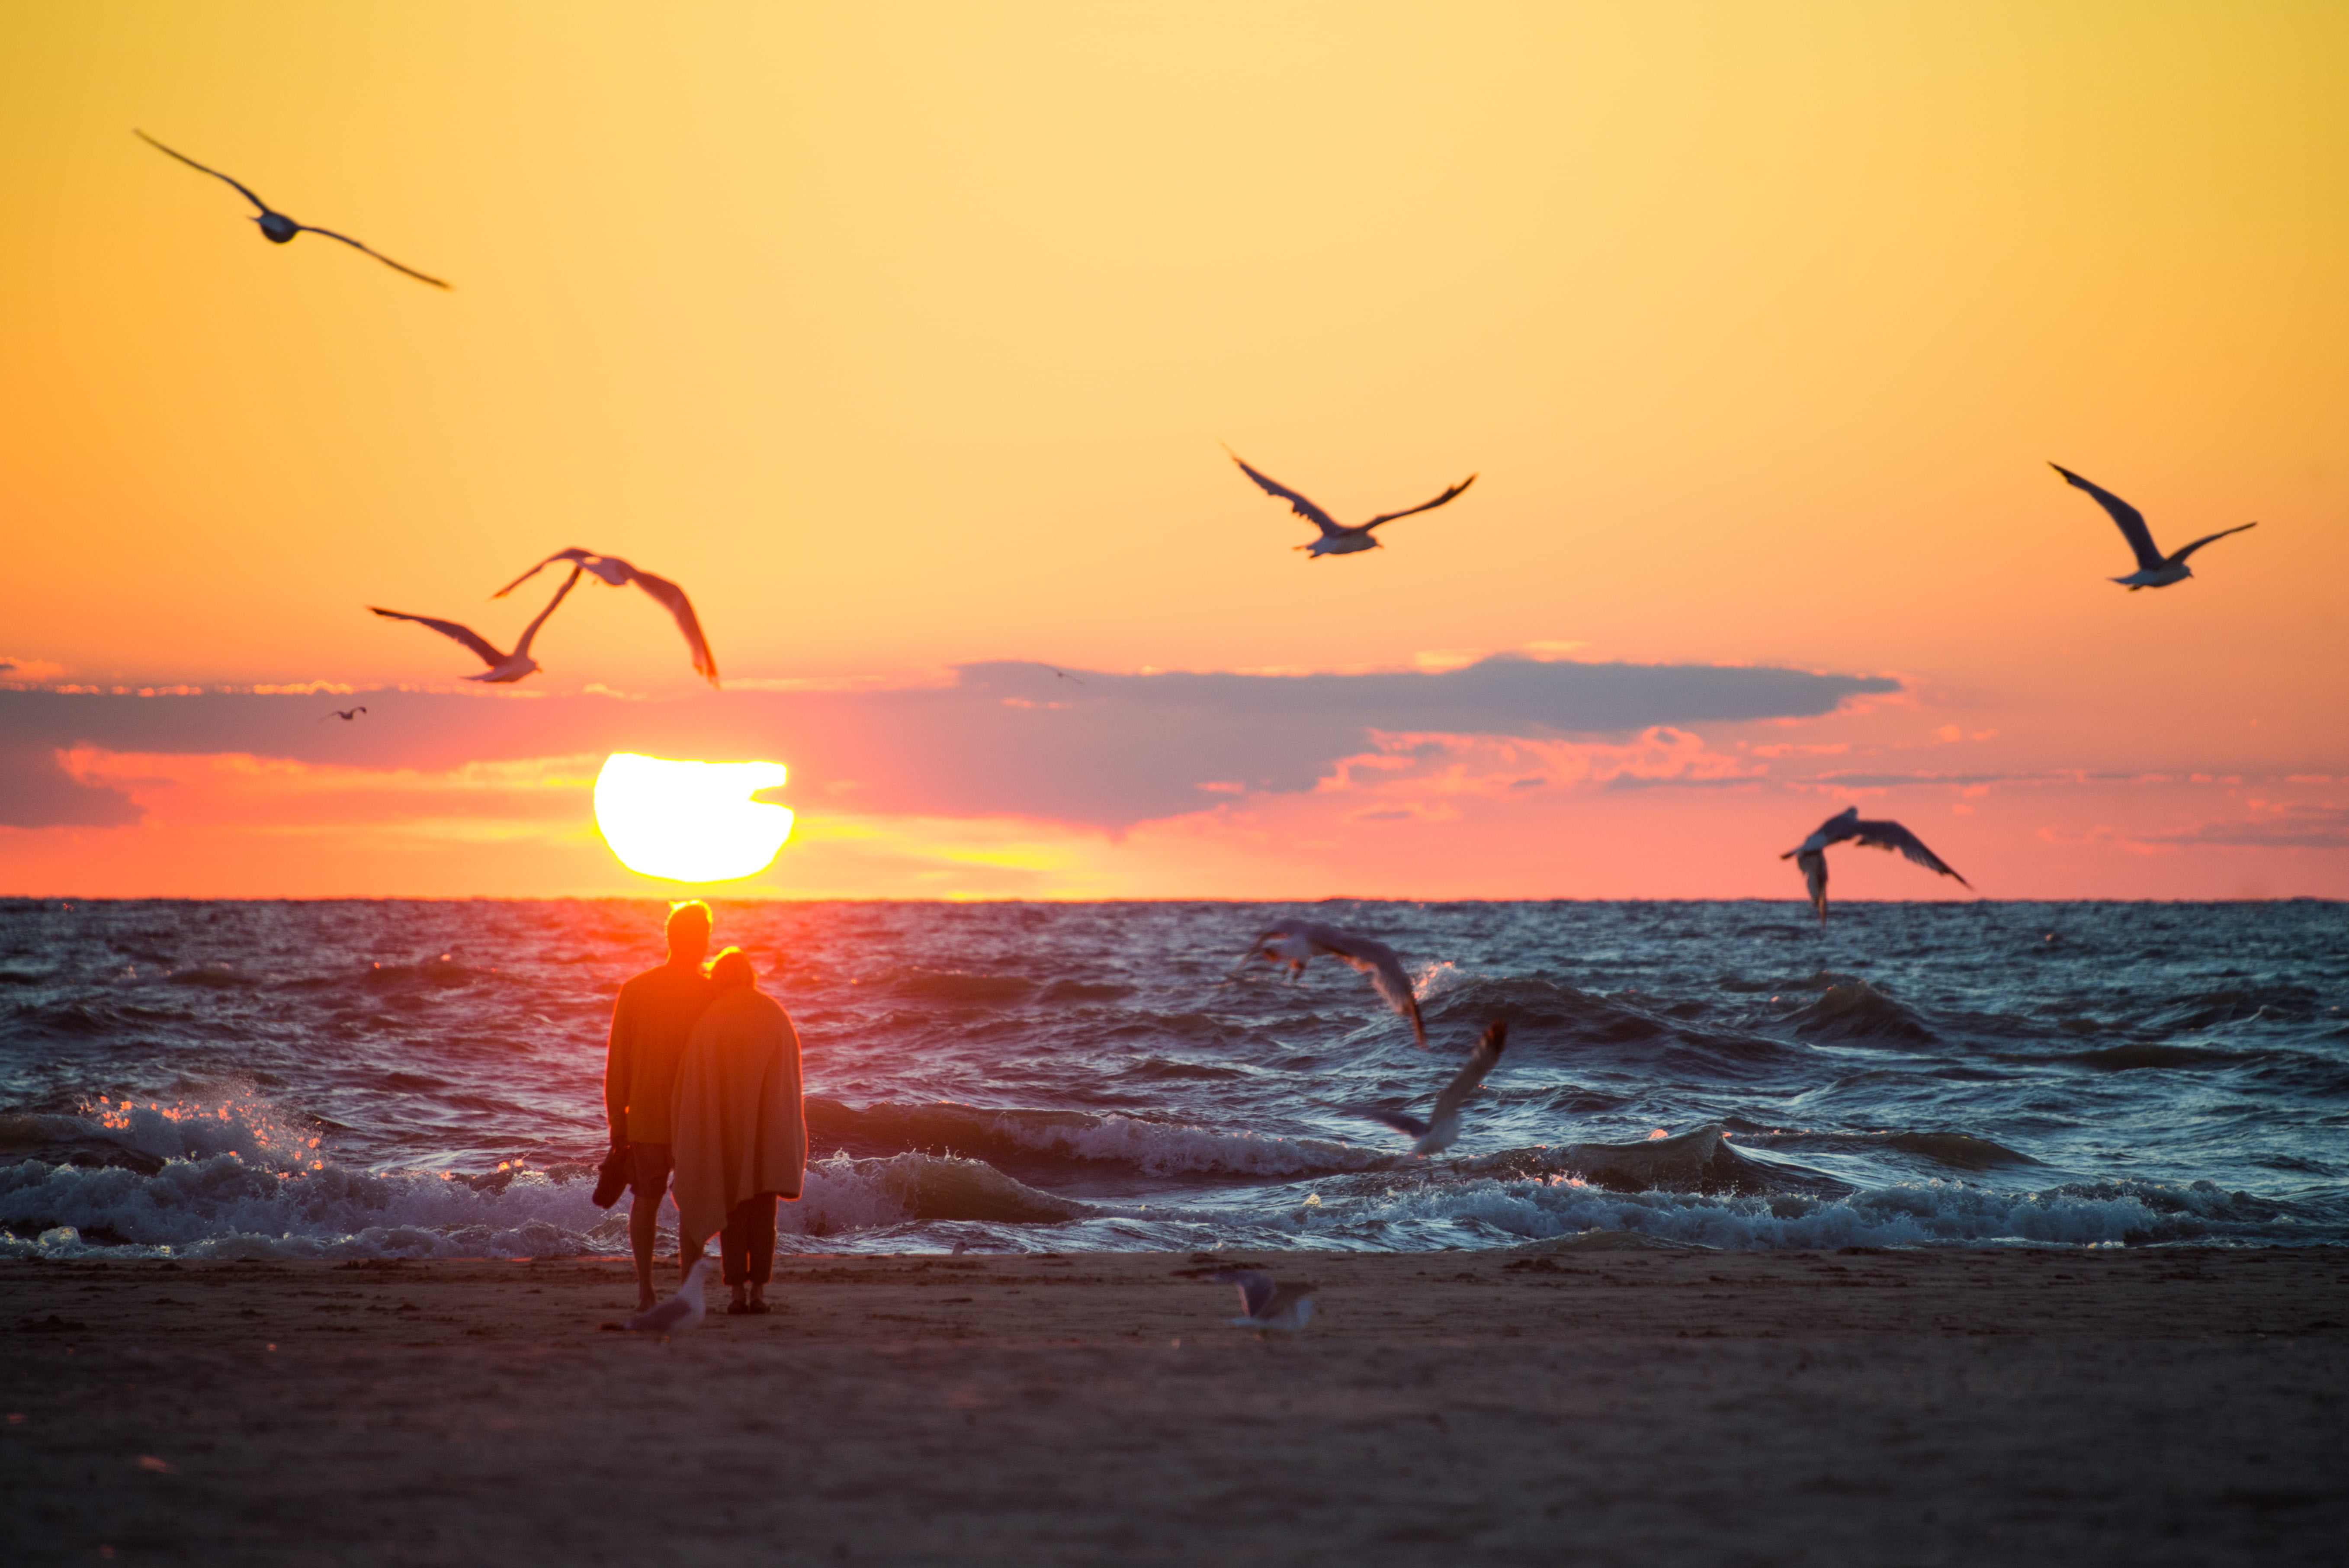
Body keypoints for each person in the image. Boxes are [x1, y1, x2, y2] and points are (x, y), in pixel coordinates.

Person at [670, 946, 806, 1315]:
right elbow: (789, 1085)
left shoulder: (712, 1019)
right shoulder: (775, 1014)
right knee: (764, 1214)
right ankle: (758, 1291)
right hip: (767, 1134)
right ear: (749, 976)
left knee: (732, 1212)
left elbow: (692, 1085)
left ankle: (735, 1296)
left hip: (726, 1134)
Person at [603, 901, 716, 1311]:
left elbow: (618, 1065)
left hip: (647, 1117)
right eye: (705, 935)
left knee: (646, 1200)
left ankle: (646, 1291)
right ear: (698, 939)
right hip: (695, 1117)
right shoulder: (711, 990)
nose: (707, 942)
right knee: (692, 1202)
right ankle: (687, 1289)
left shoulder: (635, 989)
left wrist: (618, 1123)